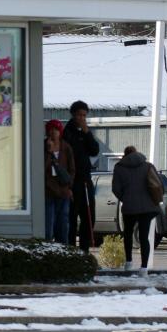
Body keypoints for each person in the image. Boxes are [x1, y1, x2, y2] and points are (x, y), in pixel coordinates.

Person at [111, 149, 161, 278]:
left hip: (129, 207)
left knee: (127, 234)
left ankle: (128, 262)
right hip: (148, 208)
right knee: (144, 237)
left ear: (125, 155)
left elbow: (115, 189)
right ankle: (144, 268)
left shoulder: (119, 168)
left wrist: (125, 197)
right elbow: (157, 184)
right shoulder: (148, 166)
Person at [63, 100, 100, 252]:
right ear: (73, 115)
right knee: (71, 217)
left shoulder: (85, 132)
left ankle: (84, 249)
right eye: (79, 115)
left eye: (84, 115)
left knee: (89, 215)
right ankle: (71, 248)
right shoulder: (68, 132)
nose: (82, 118)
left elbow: (94, 150)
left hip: (86, 179)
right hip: (73, 181)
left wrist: (87, 133)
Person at [44, 120, 75, 243]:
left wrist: (69, 187)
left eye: (56, 130)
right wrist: (49, 152)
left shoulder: (66, 147)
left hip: (63, 192)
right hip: (48, 192)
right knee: (48, 227)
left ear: (60, 132)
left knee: (63, 226)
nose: (53, 133)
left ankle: (63, 251)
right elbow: (41, 168)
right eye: (50, 130)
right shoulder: (43, 146)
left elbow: (72, 170)